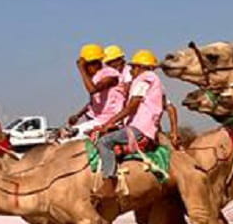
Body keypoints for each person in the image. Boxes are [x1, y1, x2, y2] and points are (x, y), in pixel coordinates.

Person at [90, 50, 167, 197]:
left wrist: (109, 123)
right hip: (144, 126)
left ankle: (109, 182)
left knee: (104, 142)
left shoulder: (145, 79)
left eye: (133, 67)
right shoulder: (154, 82)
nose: (130, 70)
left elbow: (132, 107)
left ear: (140, 67)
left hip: (140, 128)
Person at [66, 43, 126, 136]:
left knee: (71, 135)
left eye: (86, 66)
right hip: (99, 119)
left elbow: (92, 90)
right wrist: (78, 115)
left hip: (111, 119)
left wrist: (82, 70)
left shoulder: (110, 74)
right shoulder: (96, 78)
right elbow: (94, 102)